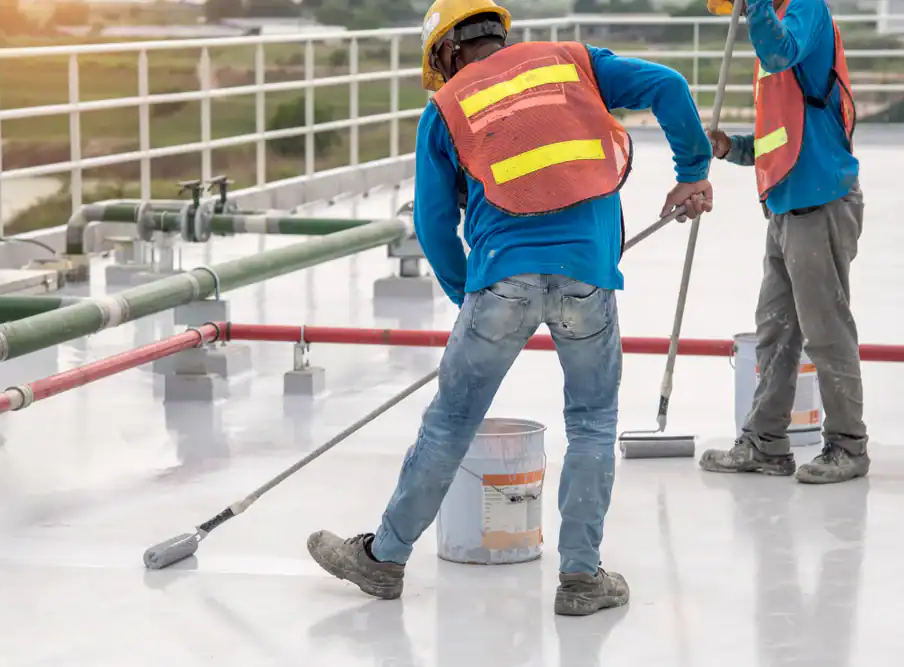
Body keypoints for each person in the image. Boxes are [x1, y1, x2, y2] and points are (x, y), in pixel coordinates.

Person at [306, 0, 714, 616]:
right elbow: (669, 85)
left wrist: (463, 295)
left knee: (449, 424)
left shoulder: (444, 109)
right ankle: (581, 580)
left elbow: (435, 223)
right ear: (497, 33)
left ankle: (383, 560)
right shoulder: (571, 63)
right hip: (589, 281)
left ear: (446, 52)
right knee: (593, 423)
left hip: (500, 282)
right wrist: (694, 171)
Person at [699, 0, 868, 484]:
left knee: (826, 329)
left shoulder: (805, 9)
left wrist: (754, 10)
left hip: (821, 201)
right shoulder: (771, 25)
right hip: (786, 204)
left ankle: (847, 445)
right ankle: (765, 443)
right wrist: (733, 147)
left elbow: (780, 53)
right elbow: (782, 134)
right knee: (775, 329)